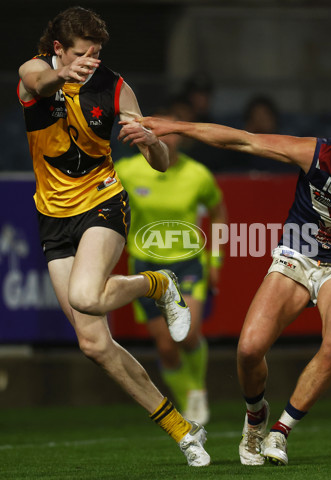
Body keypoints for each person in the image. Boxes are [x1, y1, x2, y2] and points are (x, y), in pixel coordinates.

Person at [126, 115, 331, 466]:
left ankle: (280, 432)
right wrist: (178, 127)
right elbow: (243, 140)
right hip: (298, 255)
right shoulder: (318, 156)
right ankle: (256, 418)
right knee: (248, 349)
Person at [16, 6, 210, 467]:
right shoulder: (35, 72)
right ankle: (182, 430)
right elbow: (41, 83)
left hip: (103, 201)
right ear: (58, 49)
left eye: (97, 54)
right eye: (83, 54)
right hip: (52, 215)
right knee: (93, 345)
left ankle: (159, 284)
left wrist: (149, 141)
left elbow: (161, 161)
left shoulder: (116, 87)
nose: (92, 63)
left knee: (86, 296)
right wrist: (63, 73)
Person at [115, 111, 228, 425]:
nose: (165, 137)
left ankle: (197, 393)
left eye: (170, 132)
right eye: (155, 130)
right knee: (165, 346)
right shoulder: (127, 171)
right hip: (146, 264)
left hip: (188, 261)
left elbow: (219, 213)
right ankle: (189, 395)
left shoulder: (198, 174)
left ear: (180, 136)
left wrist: (216, 258)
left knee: (187, 334)